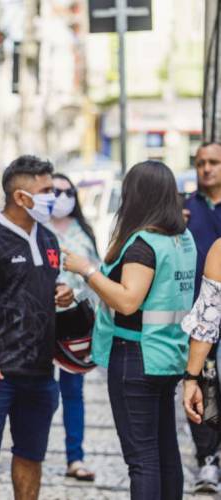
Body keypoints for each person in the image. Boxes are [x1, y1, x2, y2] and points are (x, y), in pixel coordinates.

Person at [64, 160, 196, 500]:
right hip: (168, 355)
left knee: (142, 460)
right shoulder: (183, 239)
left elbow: (127, 302)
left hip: (136, 357)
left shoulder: (143, 245)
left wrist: (87, 270)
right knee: (166, 453)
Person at [0, 155, 74, 500]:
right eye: (47, 190)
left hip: (40, 372)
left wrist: (63, 294)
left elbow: (51, 284)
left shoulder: (49, 238)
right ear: (21, 197)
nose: (55, 197)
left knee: (31, 455)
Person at [48, 173, 99, 482]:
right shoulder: (35, 229)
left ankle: (75, 457)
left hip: (73, 325)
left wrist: (76, 295)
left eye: (68, 191)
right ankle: (30, 453)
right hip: (38, 323)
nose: (62, 196)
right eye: (55, 190)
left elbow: (97, 277)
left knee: (73, 391)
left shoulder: (84, 232)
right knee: (36, 391)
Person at [183, 141, 221, 492]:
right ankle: (207, 459)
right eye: (200, 162)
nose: (207, 168)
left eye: (214, 162)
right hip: (198, 319)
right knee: (204, 391)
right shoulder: (183, 210)